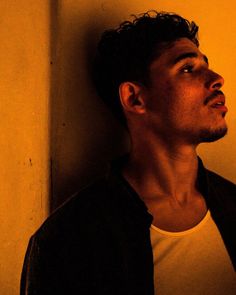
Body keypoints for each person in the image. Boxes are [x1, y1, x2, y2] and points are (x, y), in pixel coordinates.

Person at [21, 11, 236, 295]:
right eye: (187, 68)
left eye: (206, 65)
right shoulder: (68, 240)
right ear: (135, 98)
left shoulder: (234, 207)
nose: (217, 79)